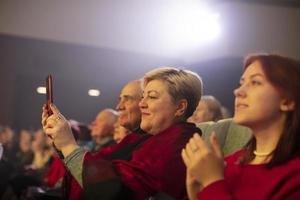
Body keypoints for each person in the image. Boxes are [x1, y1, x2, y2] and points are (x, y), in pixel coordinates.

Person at [42, 67, 203, 199]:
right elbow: (99, 163)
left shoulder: (179, 144)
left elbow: (116, 189)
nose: (142, 104)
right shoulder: (142, 137)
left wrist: (68, 145)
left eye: (152, 97)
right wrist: (61, 142)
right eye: (142, 97)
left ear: (180, 107)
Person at [182, 54, 300, 200]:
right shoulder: (230, 162)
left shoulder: (294, 174)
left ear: (287, 101)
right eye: (241, 83)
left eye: (255, 82)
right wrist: (195, 193)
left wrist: (212, 182)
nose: (238, 92)